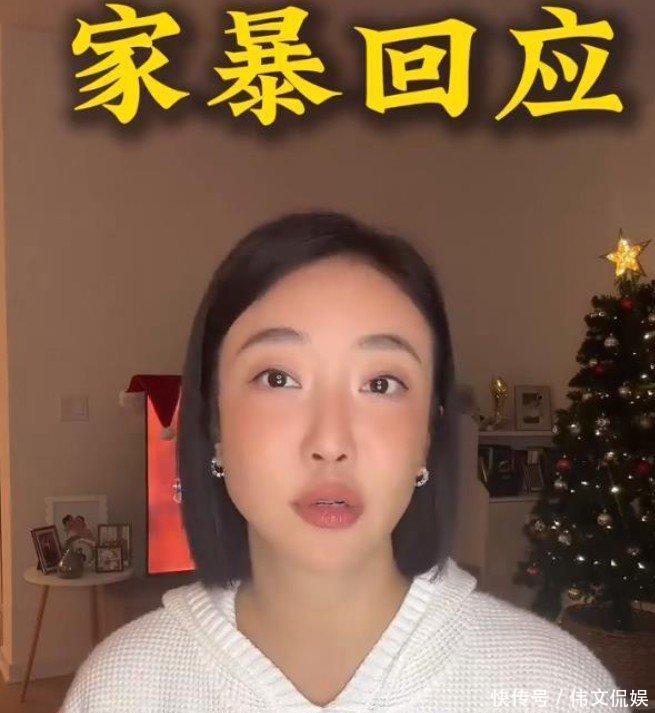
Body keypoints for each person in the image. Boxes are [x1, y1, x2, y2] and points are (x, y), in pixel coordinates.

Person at [60, 212, 622, 712]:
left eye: (381, 384)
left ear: (428, 435)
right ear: (214, 425)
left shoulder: (556, 688)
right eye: (278, 378)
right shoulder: (121, 689)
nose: (331, 441)